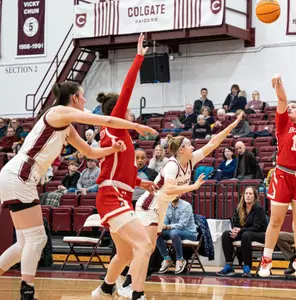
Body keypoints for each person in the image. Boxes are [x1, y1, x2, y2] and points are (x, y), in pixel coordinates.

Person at [0, 79, 153, 299]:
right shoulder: (59, 112)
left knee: (26, 242)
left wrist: (112, 148)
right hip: (19, 175)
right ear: (73, 98)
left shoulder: (66, 126)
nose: (85, 99)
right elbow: (106, 119)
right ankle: (27, 292)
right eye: (82, 96)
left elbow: (90, 153)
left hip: (18, 177)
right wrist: (136, 126)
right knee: (36, 239)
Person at [119, 114, 244, 297]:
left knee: (148, 248)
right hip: (149, 205)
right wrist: (193, 186)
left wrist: (231, 126)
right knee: (146, 248)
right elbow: (168, 190)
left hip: (161, 208)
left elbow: (213, 143)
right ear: (182, 150)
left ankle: (127, 283)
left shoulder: (190, 160)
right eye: (189, 144)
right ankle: (132, 287)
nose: (193, 146)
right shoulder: (172, 165)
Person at [91, 34, 159, 300]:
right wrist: (139, 55)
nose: (131, 113)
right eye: (127, 110)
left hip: (119, 194)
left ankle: (105, 289)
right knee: (144, 245)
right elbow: (128, 87)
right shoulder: (115, 124)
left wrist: (140, 182)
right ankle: (137, 294)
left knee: (126, 252)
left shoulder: (123, 137)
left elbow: (120, 172)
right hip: (111, 197)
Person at [259, 64, 296, 281]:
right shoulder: (282, 124)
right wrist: (279, 83)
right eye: (290, 107)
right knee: (275, 221)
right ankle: (266, 259)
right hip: (283, 175)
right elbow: (282, 100)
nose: (291, 108)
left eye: (295, 107)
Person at [216, 187, 268, 277]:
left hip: (260, 234)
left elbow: (256, 227)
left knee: (246, 235)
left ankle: (247, 267)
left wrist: (240, 230)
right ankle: (229, 265)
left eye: (250, 194)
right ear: (243, 196)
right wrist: (235, 230)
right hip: (244, 233)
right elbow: (235, 223)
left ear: (254, 197)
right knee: (225, 234)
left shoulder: (258, 209)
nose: (248, 195)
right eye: (246, 193)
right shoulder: (239, 207)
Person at [156, 197, 198, 275]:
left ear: (180, 194)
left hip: (189, 233)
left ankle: (180, 259)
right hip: (174, 231)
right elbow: (165, 222)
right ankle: (167, 259)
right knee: (157, 233)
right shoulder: (167, 205)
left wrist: (168, 227)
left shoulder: (186, 206)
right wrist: (162, 225)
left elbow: (182, 225)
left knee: (173, 233)